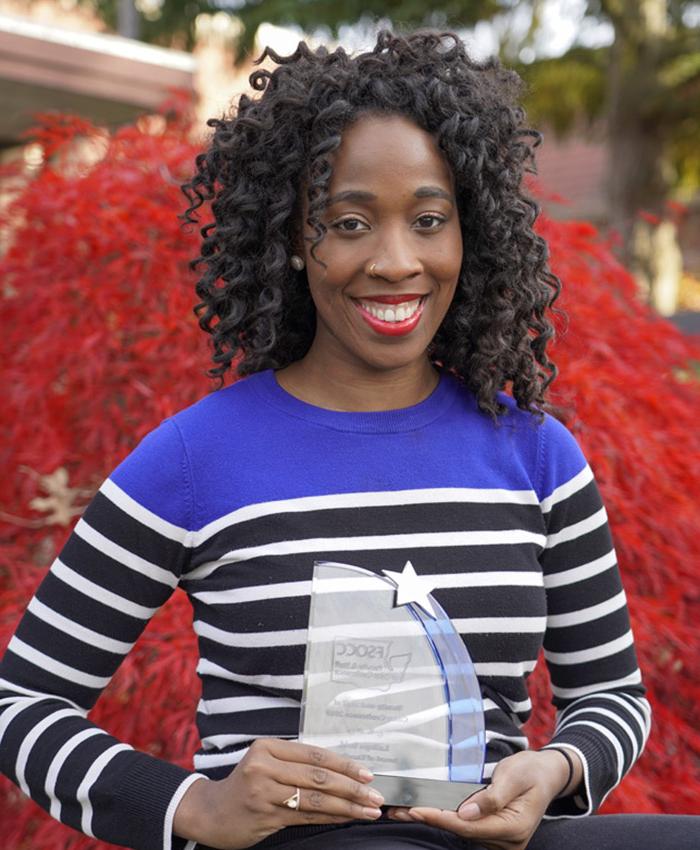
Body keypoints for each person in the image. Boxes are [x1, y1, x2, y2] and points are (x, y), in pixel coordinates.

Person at [0, 28, 697, 850]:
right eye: (349, 222)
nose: (396, 260)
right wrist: (194, 806)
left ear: (468, 233)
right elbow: (21, 706)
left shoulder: (537, 456)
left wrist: (556, 770)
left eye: (429, 219)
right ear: (295, 242)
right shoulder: (196, 459)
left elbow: (612, 699)